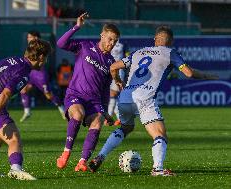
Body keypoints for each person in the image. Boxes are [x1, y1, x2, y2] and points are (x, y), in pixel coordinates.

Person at [89, 26, 218, 176]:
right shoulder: (170, 53)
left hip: (125, 97)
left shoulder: (140, 52)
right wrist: (207, 76)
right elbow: (188, 73)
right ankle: (158, 169)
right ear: (171, 41)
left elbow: (113, 67)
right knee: (160, 135)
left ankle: (100, 156)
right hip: (144, 98)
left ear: (155, 39)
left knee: (126, 128)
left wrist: (118, 81)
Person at [0, 39, 51, 180]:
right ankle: (15, 169)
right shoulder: (24, 73)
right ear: (41, 57)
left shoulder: (12, 59)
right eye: (47, 57)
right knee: (14, 139)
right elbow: (5, 94)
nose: (46, 61)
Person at [56, 13, 119, 172]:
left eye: (115, 41)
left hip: (94, 102)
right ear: (102, 35)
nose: (112, 43)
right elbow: (61, 43)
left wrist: (104, 111)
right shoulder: (85, 46)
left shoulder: (111, 62)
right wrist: (76, 27)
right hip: (75, 95)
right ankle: (66, 152)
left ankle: (82, 161)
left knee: (97, 122)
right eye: (110, 39)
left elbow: (105, 89)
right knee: (78, 114)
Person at [20, 30, 65, 122]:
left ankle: (63, 109)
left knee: (48, 95)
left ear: (36, 37)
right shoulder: (29, 47)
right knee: (23, 90)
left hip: (40, 75)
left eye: (30, 37)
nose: (28, 39)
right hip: (31, 73)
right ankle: (27, 111)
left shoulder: (40, 46)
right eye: (28, 37)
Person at [105, 40, 125, 126]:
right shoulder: (109, 44)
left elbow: (127, 56)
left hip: (117, 72)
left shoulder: (121, 45)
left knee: (112, 95)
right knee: (112, 96)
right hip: (110, 70)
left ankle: (109, 118)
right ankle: (119, 118)